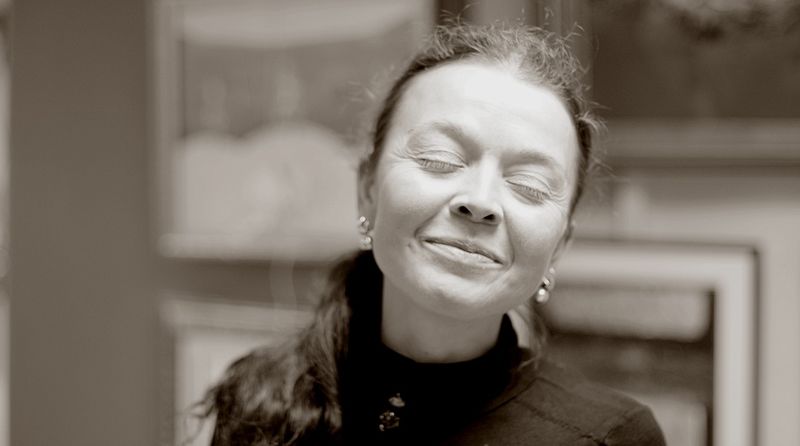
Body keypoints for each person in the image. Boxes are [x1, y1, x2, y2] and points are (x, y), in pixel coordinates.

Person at [202, 22, 666, 445]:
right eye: (439, 159)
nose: (480, 202)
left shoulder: (610, 437)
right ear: (367, 189)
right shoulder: (258, 398)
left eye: (529, 185)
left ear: (560, 244)